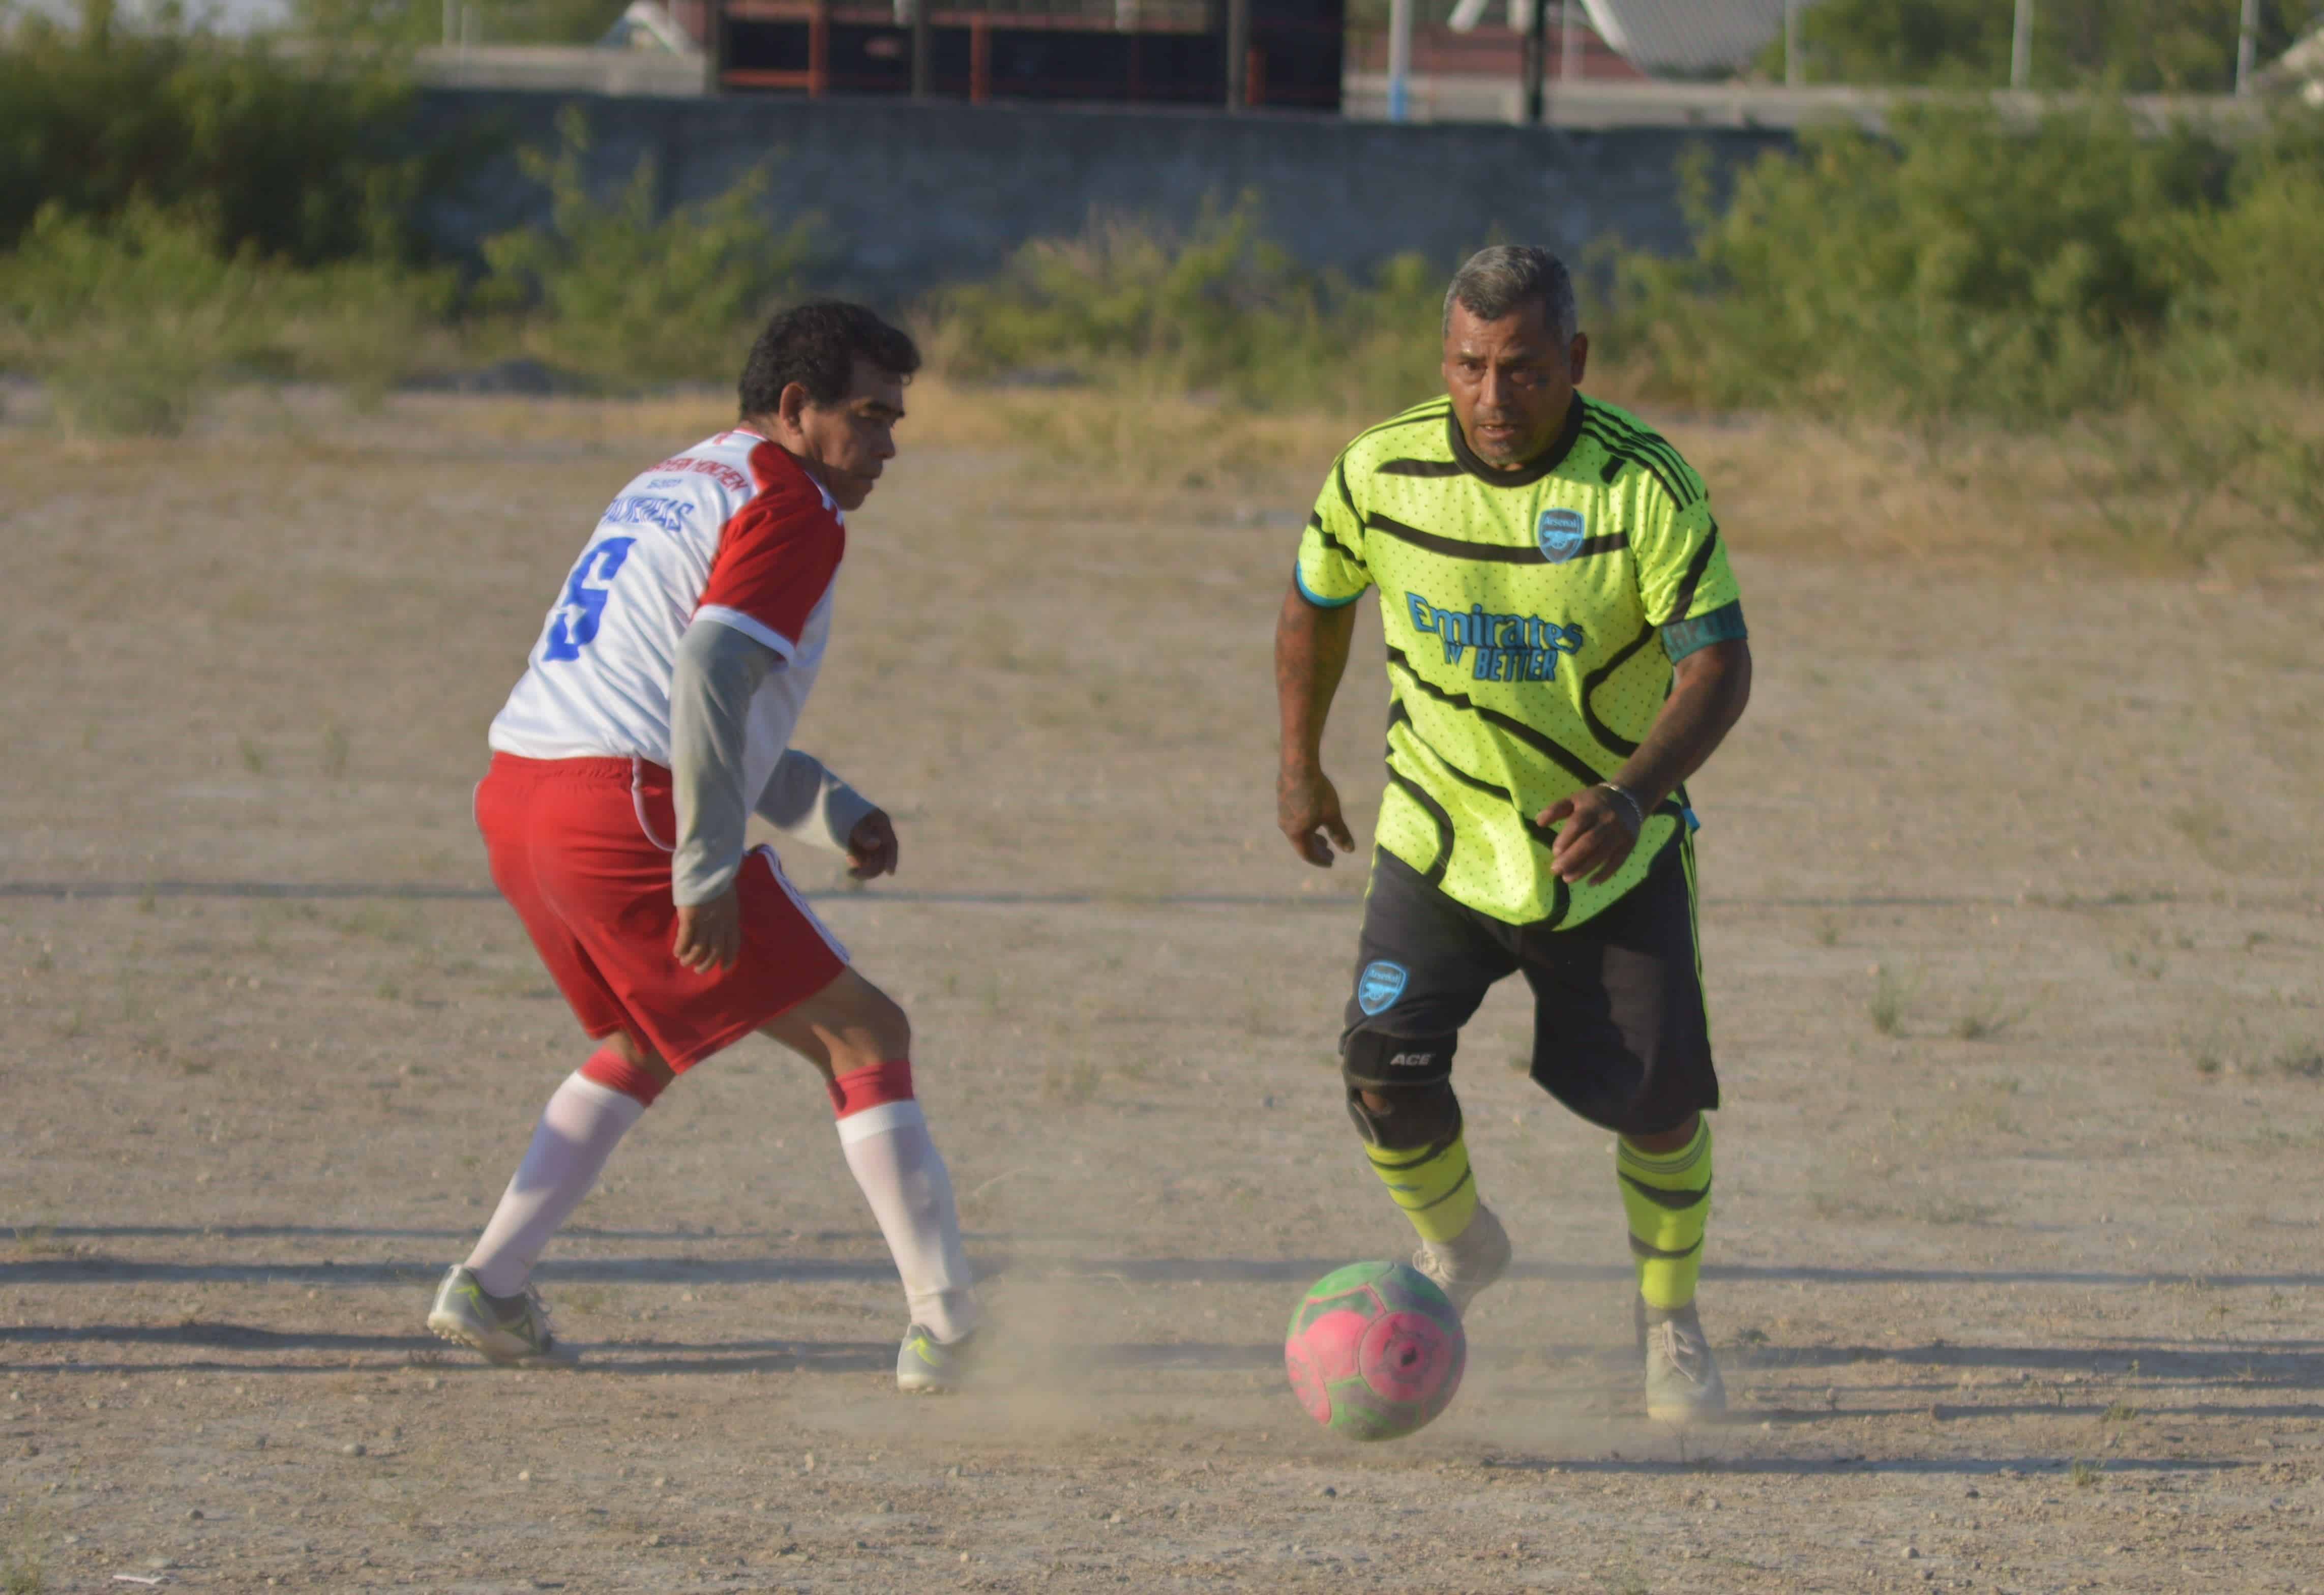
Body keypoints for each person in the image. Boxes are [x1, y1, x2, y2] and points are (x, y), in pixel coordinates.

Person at [426, 302, 980, 1392]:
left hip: (520, 794)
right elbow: (706, 682)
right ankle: (950, 1328)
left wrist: (826, 806)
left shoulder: (672, 479)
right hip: (621, 805)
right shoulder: (795, 504)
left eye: (895, 419)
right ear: (793, 407)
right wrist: (706, 866)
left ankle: (490, 1285)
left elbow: (684, 700)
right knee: (866, 1033)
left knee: (644, 1032)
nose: (886, 446)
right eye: (867, 417)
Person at [1274, 246, 1752, 1423]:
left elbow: (1719, 664)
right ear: (1444, 360)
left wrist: (1632, 794)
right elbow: (1316, 599)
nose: (1492, 398)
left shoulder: (1643, 486)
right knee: (1380, 1072)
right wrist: (1298, 762)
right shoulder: (1380, 469)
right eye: (1469, 367)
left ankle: (1668, 1321)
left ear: (1574, 361)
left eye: (1524, 370)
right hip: (1436, 834)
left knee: (1655, 1106)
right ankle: (1462, 1245)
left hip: (1610, 852)